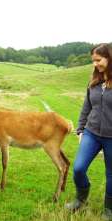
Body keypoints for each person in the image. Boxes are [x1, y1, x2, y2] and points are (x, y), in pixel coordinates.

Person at [65, 43, 112, 220]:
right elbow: (86, 107)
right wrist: (80, 130)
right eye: (93, 61)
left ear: (109, 57)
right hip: (91, 132)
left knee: (111, 174)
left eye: (98, 60)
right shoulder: (93, 81)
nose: (95, 64)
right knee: (78, 168)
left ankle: (109, 209)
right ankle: (80, 199)